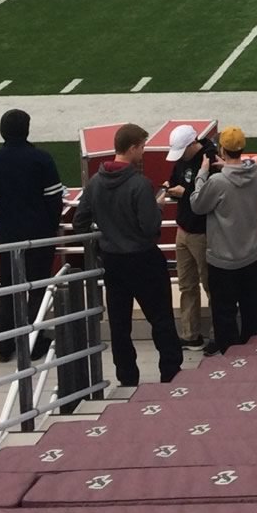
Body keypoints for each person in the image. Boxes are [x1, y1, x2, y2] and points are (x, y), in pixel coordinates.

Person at [72, 123, 181, 386]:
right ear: (132, 148)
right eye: (142, 147)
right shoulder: (140, 184)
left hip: (113, 262)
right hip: (144, 260)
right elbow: (150, 227)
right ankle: (171, 373)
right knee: (161, 319)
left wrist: (103, 242)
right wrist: (157, 207)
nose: (143, 152)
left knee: (120, 326)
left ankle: (127, 378)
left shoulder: (96, 183)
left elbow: (79, 221)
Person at [0, 109, 64, 362]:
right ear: (27, 129)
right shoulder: (40, 158)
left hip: (7, 234)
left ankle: (4, 345)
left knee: (7, 288)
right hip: (38, 234)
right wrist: (49, 226)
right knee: (37, 288)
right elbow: (54, 198)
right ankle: (34, 341)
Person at [189, 126, 257, 355]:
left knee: (225, 317)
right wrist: (228, 166)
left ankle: (231, 360)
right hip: (250, 256)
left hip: (223, 261)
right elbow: (248, 166)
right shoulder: (255, 172)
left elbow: (197, 204)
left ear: (222, 149)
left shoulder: (218, 182)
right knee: (253, 314)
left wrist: (202, 173)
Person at [158, 126, 210, 349]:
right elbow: (173, 179)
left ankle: (221, 334)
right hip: (184, 229)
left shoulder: (210, 159)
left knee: (211, 285)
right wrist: (168, 188)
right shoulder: (183, 160)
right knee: (186, 285)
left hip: (204, 232)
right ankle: (191, 335)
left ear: (192, 144)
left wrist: (185, 193)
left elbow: (209, 195)